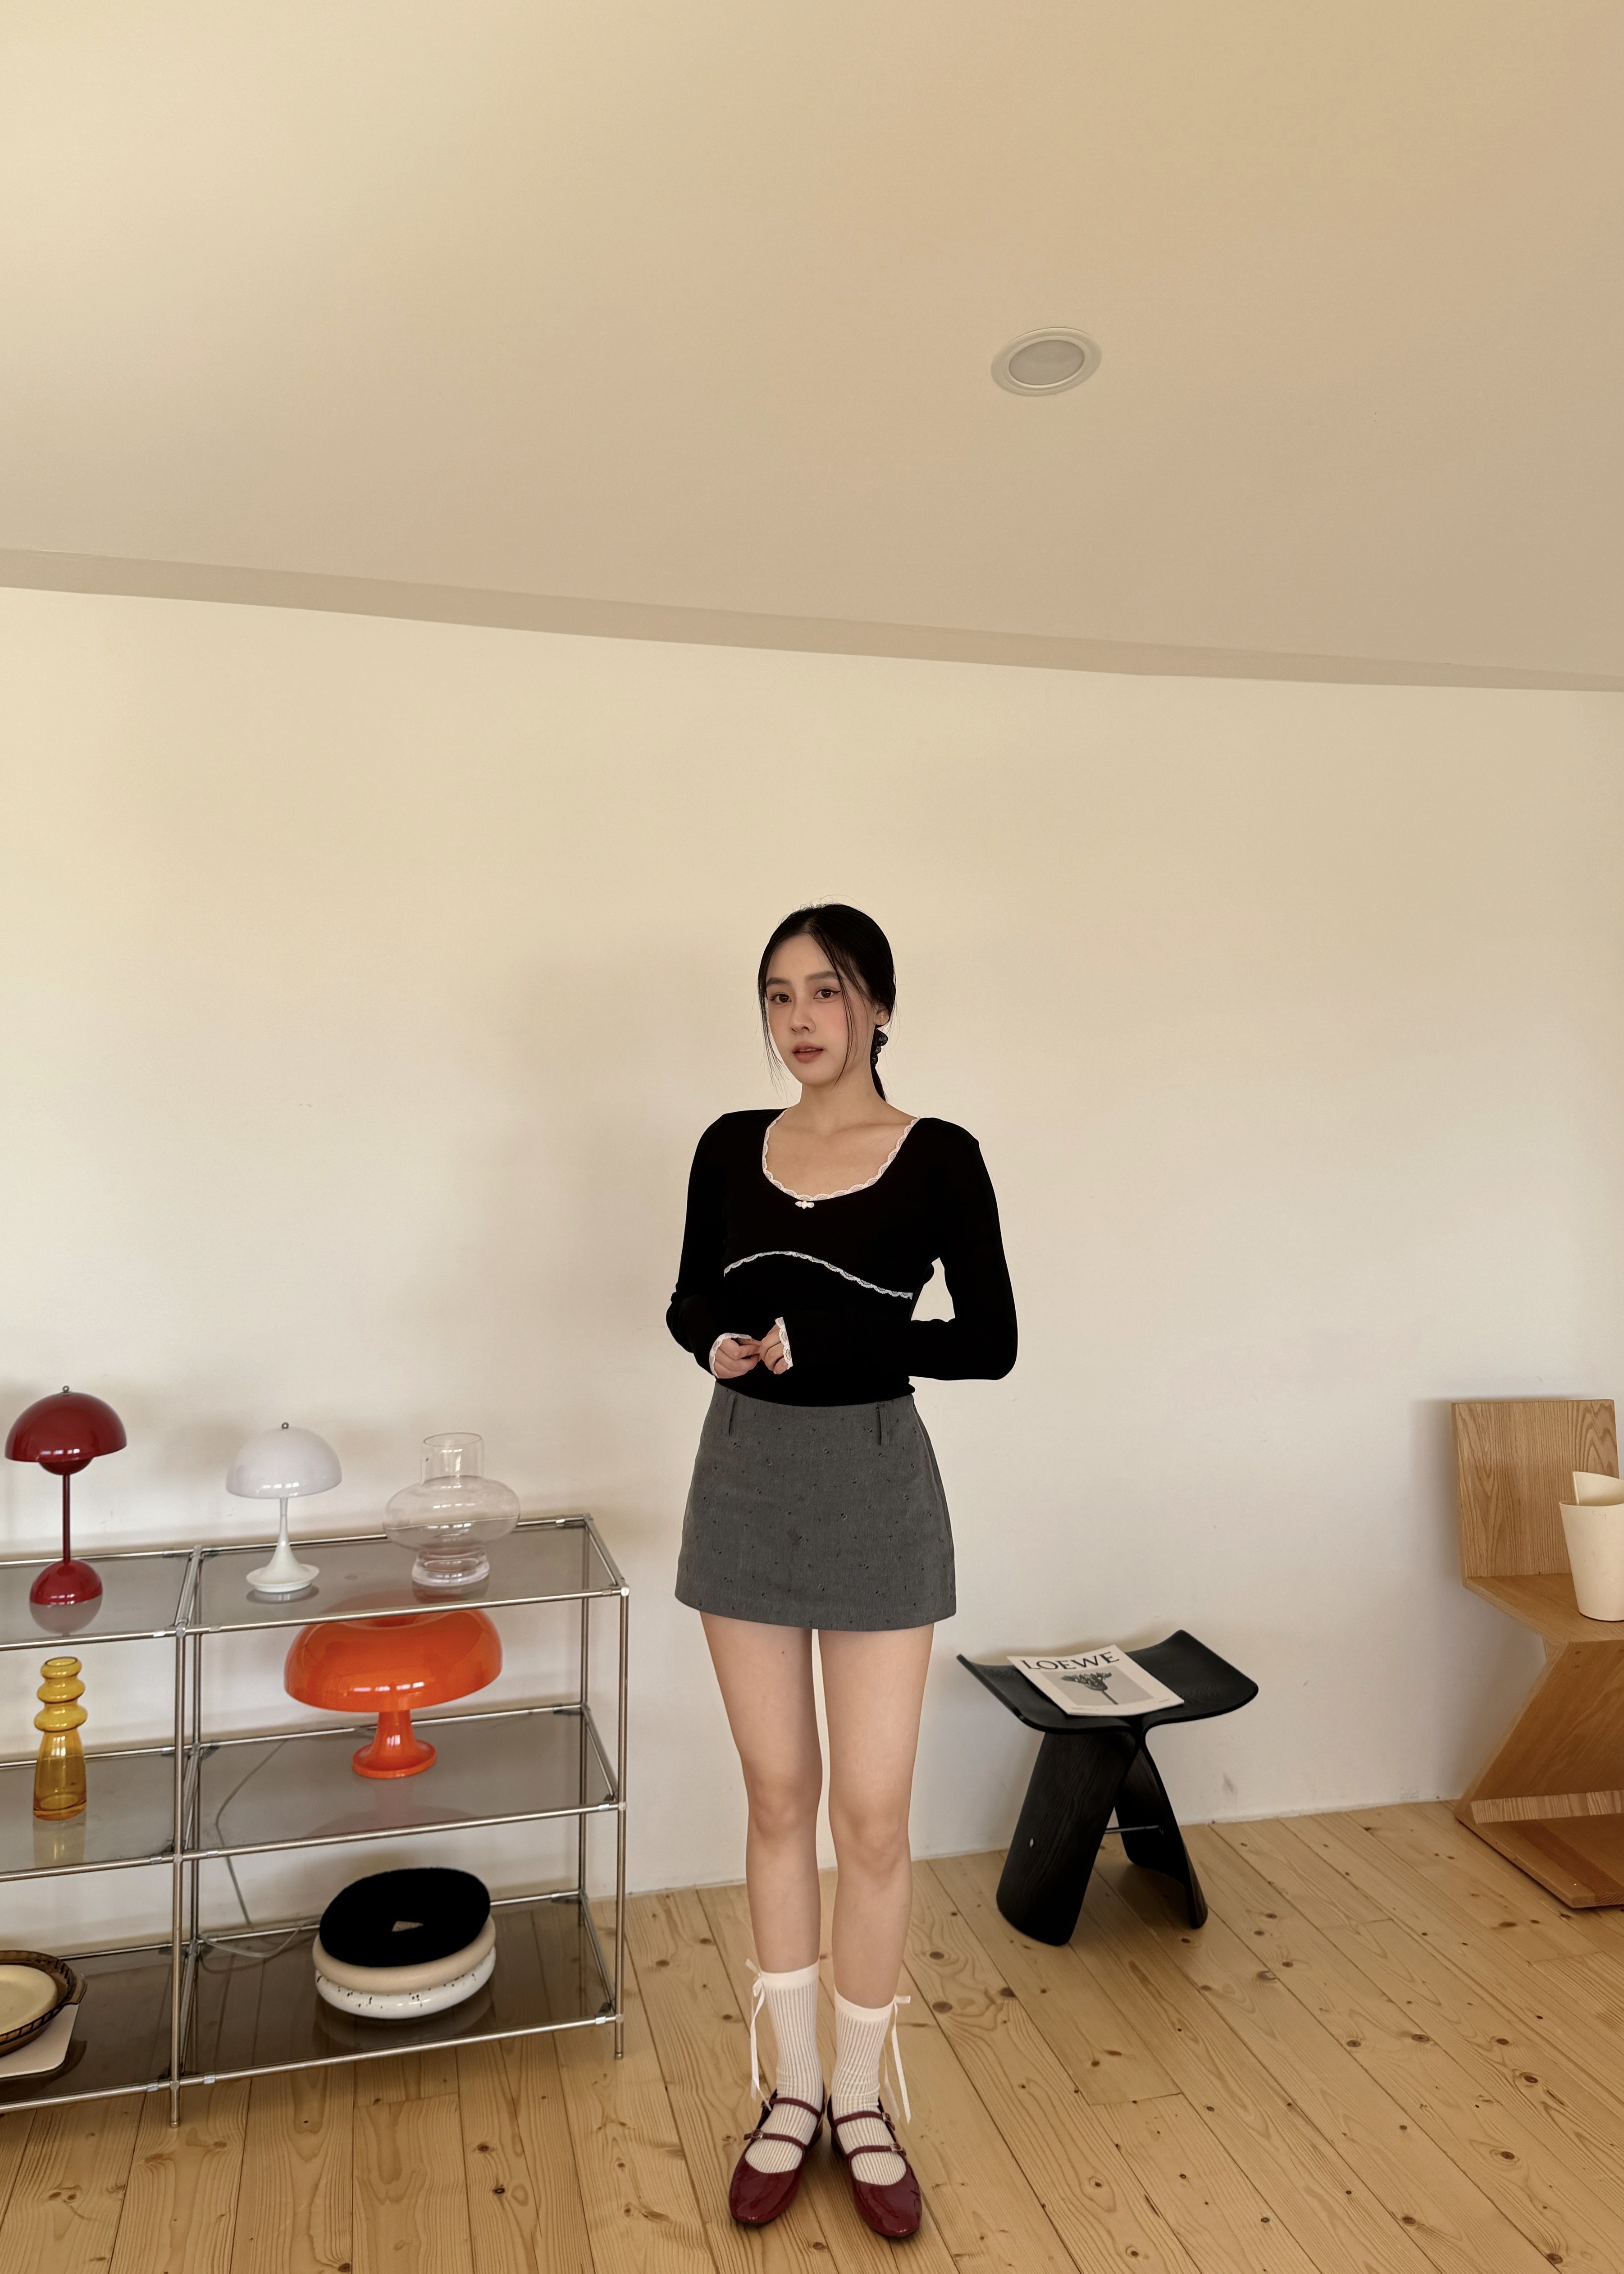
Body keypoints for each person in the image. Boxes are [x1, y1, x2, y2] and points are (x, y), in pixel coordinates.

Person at [666, 902, 1017, 2240]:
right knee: (777, 1799)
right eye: (777, 995)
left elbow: (986, 1342)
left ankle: (864, 2099)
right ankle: (793, 2089)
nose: (799, 1018)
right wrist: (715, 1344)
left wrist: (850, 1349)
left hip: (877, 1490)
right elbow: (690, 1297)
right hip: (743, 1485)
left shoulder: (940, 1157)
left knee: (870, 1819)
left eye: (825, 991)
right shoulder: (726, 1146)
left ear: (877, 1006)